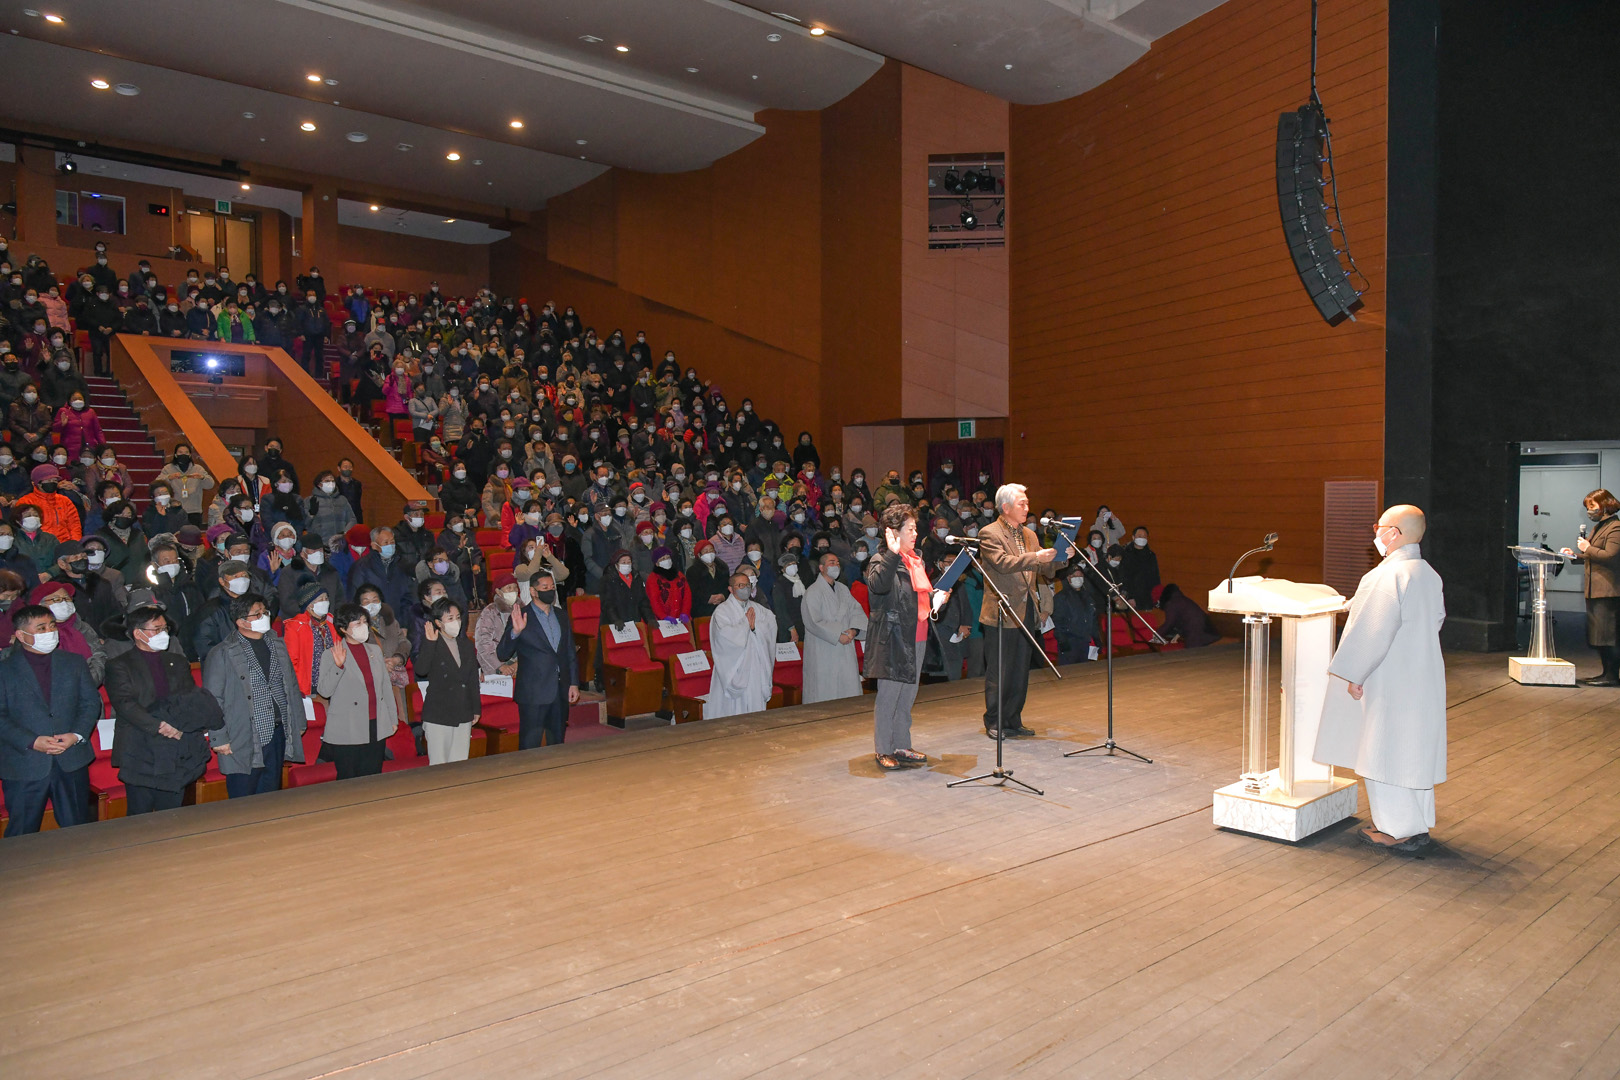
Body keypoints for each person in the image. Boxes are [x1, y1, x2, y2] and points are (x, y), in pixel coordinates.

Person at [1313, 505, 1447, 854]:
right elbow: (1436, 619)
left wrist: (1355, 673)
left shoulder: (1387, 576)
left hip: (1389, 676)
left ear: (1395, 533)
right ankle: (1414, 823)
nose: (1376, 532)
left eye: (1380, 526)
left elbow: (1372, 631)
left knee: (1384, 749)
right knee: (1413, 750)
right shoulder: (1427, 573)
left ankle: (1397, 830)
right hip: (1421, 673)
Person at [104, 604, 223, 815]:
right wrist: (160, 726)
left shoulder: (177, 661)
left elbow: (189, 698)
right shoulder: (119, 665)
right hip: (140, 747)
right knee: (140, 816)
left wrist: (180, 726)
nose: (164, 634)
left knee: (172, 814)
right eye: (156, 629)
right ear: (138, 633)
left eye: (165, 628)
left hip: (175, 746)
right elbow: (125, 704)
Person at [0, 604, 101, 834]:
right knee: (22, 834)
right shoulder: (4, 670)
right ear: (21, 635)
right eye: (41, 628)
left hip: (70, 759)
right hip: (24, 763)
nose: (50, 632)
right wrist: (32, 741)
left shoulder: (74, 662)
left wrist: (76, 735)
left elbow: (90, 703)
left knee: (78, 830)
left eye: (52, 626)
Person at [977, 483, 1065, 739]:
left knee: (1019, 670)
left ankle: (1013, 719)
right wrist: (1038, 557)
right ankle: (994, 721)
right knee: (999, 671)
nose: (1027, 507)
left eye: (1027, 503)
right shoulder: (989, 533)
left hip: (1026, 609)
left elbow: (1044, 570)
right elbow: (1003, 564)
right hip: (1002, 610)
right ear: (1005, 507)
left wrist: (1060, 557)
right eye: (1022, 504)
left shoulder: (1029, 534)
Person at [201, 592, 308, 798]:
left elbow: (291, 686)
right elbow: (213, 699)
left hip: (277, 730)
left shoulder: (277, 644)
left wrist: (299, 722)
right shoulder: (223, 652)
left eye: (265, 612)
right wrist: (218, 737)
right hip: (243, 735)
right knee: (244, 798)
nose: (264, 616)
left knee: (270, 796)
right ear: (241, 621)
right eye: (257, 614)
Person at [862, 505, 932, 770]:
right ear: (893, 532)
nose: (915, 533)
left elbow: (918, 597)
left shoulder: (916, 560)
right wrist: (892, 554)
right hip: (893, 637)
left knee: (907, 695)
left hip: (917, 634)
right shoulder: (880, 560)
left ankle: (902, 744)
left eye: (915, 528)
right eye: (910, 529)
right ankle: (883, 748)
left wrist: (937, 598)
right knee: (889, 696)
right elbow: (878, 586)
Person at [316, 602, 400, 779]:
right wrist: (338, 666)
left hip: (375, 724)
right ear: (343, 629)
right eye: (357, 623)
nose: (364, 626)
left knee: (373, 778)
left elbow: (385, 687)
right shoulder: (331, 654)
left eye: (364, 621)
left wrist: (392, 718)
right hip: (348, 727)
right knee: (349, 780)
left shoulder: (375, 651)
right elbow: (324, 690)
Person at [497, 570, 580, 749]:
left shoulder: (561, 615)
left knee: (557, 743)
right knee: (530, 745)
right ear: (533, 591)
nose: (550, 590)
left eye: (552, 587)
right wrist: (515, 632)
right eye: (545, 587)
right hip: (533, 693)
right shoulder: (522, 615)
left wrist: (573, 682)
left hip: (559, 690)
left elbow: (569, 652)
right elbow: (502, 653)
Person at [1560, 488, 1620, 685]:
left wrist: (1588, 548)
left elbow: (1610, 556)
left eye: (1592, 506)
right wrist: (1574, 555)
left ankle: (1612, 676)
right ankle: (1606, 673)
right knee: (1599, 635)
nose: (1589, 511)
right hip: (1595, 589)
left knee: (1608, 635)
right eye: (1587, 507)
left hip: (1608, 590)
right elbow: (1592, 555)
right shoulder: (1600, 527)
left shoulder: (1615, 528)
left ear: (1605, 505)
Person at [414, 597, 481, 764]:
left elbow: (473, 680)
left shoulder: (466, 645)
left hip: (463, 709)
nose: (456, 622)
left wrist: (476, 708)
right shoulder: (432, 643)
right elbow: (421, 670)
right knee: (439, 765)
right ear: (438, 622)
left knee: (460, 763)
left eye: (458, 617)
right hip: (439, 713)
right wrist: (430, 643)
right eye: (450, 618)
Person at [706, 570, 776, 718]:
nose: (745, 588)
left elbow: (770, 625)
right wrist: (745, 624)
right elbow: (724, 637)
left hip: (755, 665)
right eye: (740, 585)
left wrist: (755, 628)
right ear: (731, 589)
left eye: (748, 585)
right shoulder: (722, 611)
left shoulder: (758, 609)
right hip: (734, 667)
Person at [801, 552, 867, 704]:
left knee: (847, 688)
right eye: (831, 562)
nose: (836, 565)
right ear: (821, 567)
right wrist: (838, 635)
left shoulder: (843, 589)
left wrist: (854, 630)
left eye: (837, 563)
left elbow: (856, 611)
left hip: (846, 644)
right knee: (825, 690)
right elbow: (813, 621)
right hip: (824, 647)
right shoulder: (813, 591)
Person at [154, 443, 214, 525]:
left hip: (194, 511)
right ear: (175, 454)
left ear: (190, 455)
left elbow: (210, 485)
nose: (183, 455)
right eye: (180, 452)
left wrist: (202, 477)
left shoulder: (198, 468)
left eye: (186, 453)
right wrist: (169, 477)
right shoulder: (168, 468)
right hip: (174, 510)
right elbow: (157, 484)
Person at [1155, 584, 1219, 648]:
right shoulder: (1178, 599)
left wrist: (1156, 635)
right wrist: (1178, 635)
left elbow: (1169, 623)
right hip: (1202, 627)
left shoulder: (1171, 604)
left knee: (1192, 651)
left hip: (1195, 629)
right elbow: (1184, 618)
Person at [1116, 525, 1160, 607]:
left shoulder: (1151, 555)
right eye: (1139, 536)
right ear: (1133, 537)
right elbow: (1123, 577)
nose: (1142, 538)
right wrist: (1129, 596)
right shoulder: (1126, 554)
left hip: (1147, 598)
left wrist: (1157, 596)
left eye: (1144, 536)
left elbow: (1155, 577)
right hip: (1131, 598)